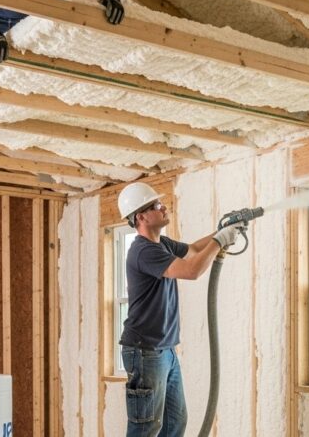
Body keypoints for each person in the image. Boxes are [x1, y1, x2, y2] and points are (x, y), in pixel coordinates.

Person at [116, 182, 241, 437]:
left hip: (164, 349)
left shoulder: (162, 244)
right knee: (146, 428)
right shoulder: (142, 251)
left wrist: (224, 230)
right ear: (141, 217)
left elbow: (194, 250)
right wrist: (220, 241)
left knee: (175, 422)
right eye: (155, 205)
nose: (163, 207)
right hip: (145, 351)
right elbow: (192, 269)